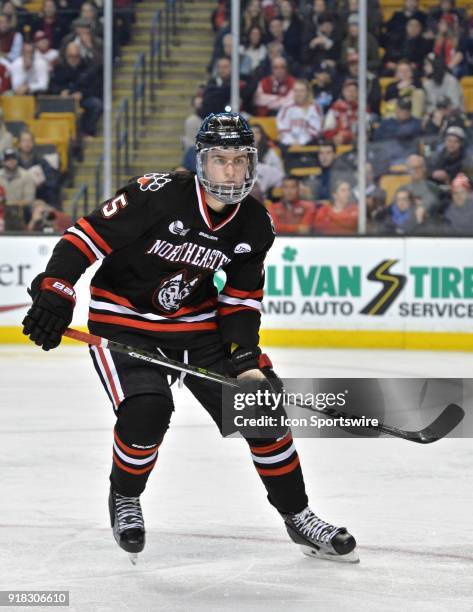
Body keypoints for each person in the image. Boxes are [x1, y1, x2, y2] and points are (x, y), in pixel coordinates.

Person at [21, 112, 358, 564]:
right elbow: (84, 239)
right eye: (221, 160)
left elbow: (240, 300)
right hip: (125, 321)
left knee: (263, 412)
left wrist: (246, 360)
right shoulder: (155, 195)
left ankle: (298, 517)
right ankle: (125, 497)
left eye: (241, 160)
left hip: (197, 327)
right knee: (148, 409)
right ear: (202, 161)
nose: (232, 171)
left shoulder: (255, 223)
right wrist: (56, 290)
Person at [276, 79, 323, 146]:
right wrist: (291, 142)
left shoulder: (315, 107)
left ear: (307, 92)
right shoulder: (286, 107)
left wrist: (300, 142)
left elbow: (315, 130)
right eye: (296, 91)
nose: (298, 94)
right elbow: (283, 128)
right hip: (289, 144)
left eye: (301, 91)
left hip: (309, 143)